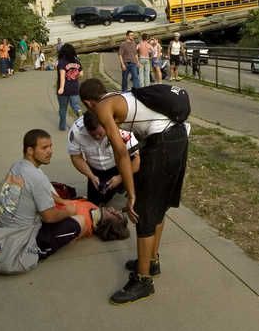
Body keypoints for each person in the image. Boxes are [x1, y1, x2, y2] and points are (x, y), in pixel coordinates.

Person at [79, 78, 189, 304]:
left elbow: (121, 153)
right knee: (158, 205)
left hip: (163, 142)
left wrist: (131, 194)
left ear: (88, 103)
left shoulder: (102, 108)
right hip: (178, 138)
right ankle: (151, 261)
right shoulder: (118, 96)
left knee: (143, 211)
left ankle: (143, 280)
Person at [0, 129, 129, 274]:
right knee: (77, 223)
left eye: (51, 146)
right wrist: (69, 210)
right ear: (30, 150)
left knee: (55, 193)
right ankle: (39, 251)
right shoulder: (37, 177)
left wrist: (62, 200)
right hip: (16, 241)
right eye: (44, 148)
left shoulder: (18, 166)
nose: (50, 151)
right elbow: (49, 217)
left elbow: (44, 190)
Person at [68, 111, 140, 205]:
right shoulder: (76, 132)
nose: (97, 137)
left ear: (105, 125)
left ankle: (121, 187)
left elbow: (136, 160)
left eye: (100, 134)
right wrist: (91, 176)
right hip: (95, 170)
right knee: (93, 203)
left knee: (115, 195)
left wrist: (121, 177)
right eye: (93, 135)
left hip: (118, 167)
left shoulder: (122, 129)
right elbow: (76, 157)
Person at [56, 43, 83, 131]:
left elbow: (62, 76)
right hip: (74, 88)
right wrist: (74, 76)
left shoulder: (62, 61)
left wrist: (61, 88)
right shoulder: (77, 60)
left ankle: (62, 126)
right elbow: (81, 74)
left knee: (63, 108)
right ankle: (80, 116)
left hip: (64, 89)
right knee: (75, 105)